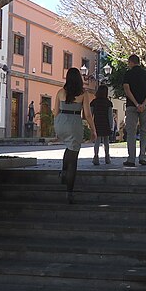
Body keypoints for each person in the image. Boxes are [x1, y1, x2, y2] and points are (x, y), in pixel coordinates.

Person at [54, 67, 95, 203]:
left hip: (60, 122)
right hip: (74, 123)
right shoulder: (83, 94)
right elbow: (88, 115)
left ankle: (63, 171)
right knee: (74, 159)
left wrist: (57, 129)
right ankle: (69, 192)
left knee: (68, 147)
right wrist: (93, 130)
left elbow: (55, 112)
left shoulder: (60, 92)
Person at [122, 54, 146, 167]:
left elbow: (127, 89)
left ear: (131, 62)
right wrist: (143, 104)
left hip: (131, 106)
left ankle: (131, 159)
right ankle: (142, 157)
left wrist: (136, 103)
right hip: (145, 106)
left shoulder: (128, 74)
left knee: (131, 132)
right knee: (144, 131)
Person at [89, 84, 113, 165]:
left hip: (97, 123)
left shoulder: (94, 102)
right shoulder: (108, 103)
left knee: (97, 141)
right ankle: (107, 158)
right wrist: (111, 126)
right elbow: (110, 116)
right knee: (106, 142)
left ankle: (96, 157)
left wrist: (90, 125)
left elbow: (90, 114)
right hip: (106, 123)